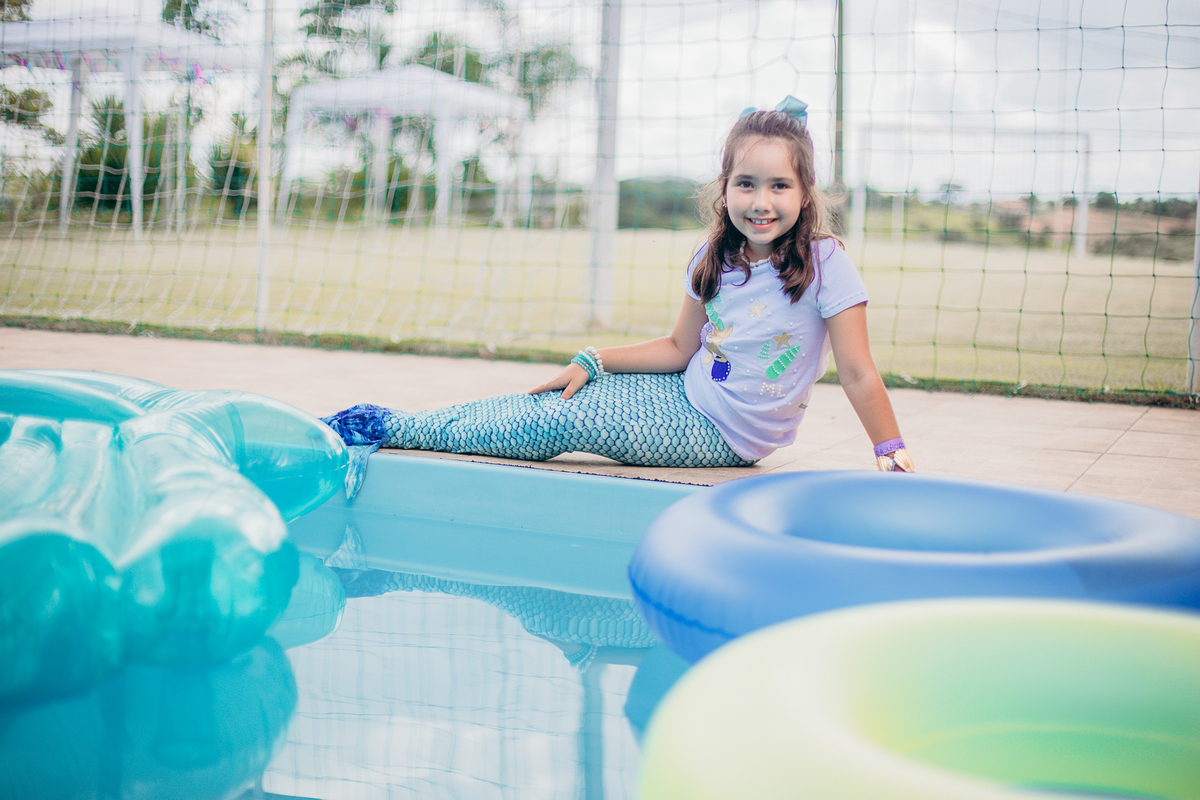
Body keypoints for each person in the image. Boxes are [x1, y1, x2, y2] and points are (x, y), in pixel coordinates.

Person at [324, 96, 913, 497]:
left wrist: (889, 448)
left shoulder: (824, 264)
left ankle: (387, 427)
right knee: (565, 396)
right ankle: (400, 421)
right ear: (725, 188)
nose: (762, 201)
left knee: (559, 425)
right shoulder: (713, 258)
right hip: (685, 393)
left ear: (806, 193)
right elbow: (680, 348)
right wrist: (595, 358)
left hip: (726, 435)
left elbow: (858, 372)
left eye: (779, 185)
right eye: (746, 184)